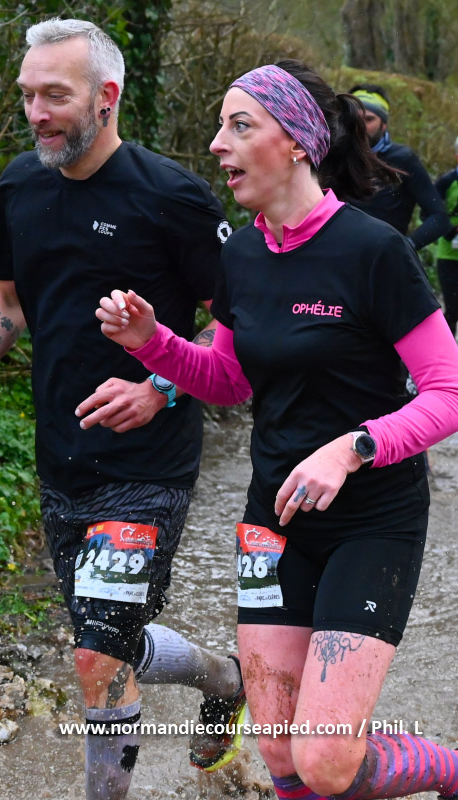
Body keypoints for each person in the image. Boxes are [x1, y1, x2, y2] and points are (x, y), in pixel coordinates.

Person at [96, 60, 458, 800]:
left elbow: (448, 392)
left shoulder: (373, 251)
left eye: (240, 125)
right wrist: (152, 344)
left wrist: (354, 448)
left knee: (326, 760)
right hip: (274, 517)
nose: (217, 145)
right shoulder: (242, 253)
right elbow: (230, 381)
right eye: (219, 127)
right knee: (282, 754)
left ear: (296, 142)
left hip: (372, 520)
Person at [0, 18, 246, 799]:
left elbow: (238, 319)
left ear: (107, 97)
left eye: (54, 96)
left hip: (147, 466)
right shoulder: (18, 186)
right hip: (60, 461)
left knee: (99, 652)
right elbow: (7, 298)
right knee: (105, 641)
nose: (35, 113)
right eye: (27, 95)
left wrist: (161, 385)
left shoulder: (172, 197)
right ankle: (226, 679)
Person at [348, 83, 449, 250]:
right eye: (354, 118)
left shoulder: (403, 159)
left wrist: (406, 247)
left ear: (384, 124)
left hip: (382, 259)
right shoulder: (334, 155)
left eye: (368, 119)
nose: (360, 126)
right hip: (338, 257)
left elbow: (439, 218)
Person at [435, 135, 458, 334]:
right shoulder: (447, 181)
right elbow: (429, 214)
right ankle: (447, 349)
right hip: (449, 255)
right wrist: (449, 230)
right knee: (452, 309)